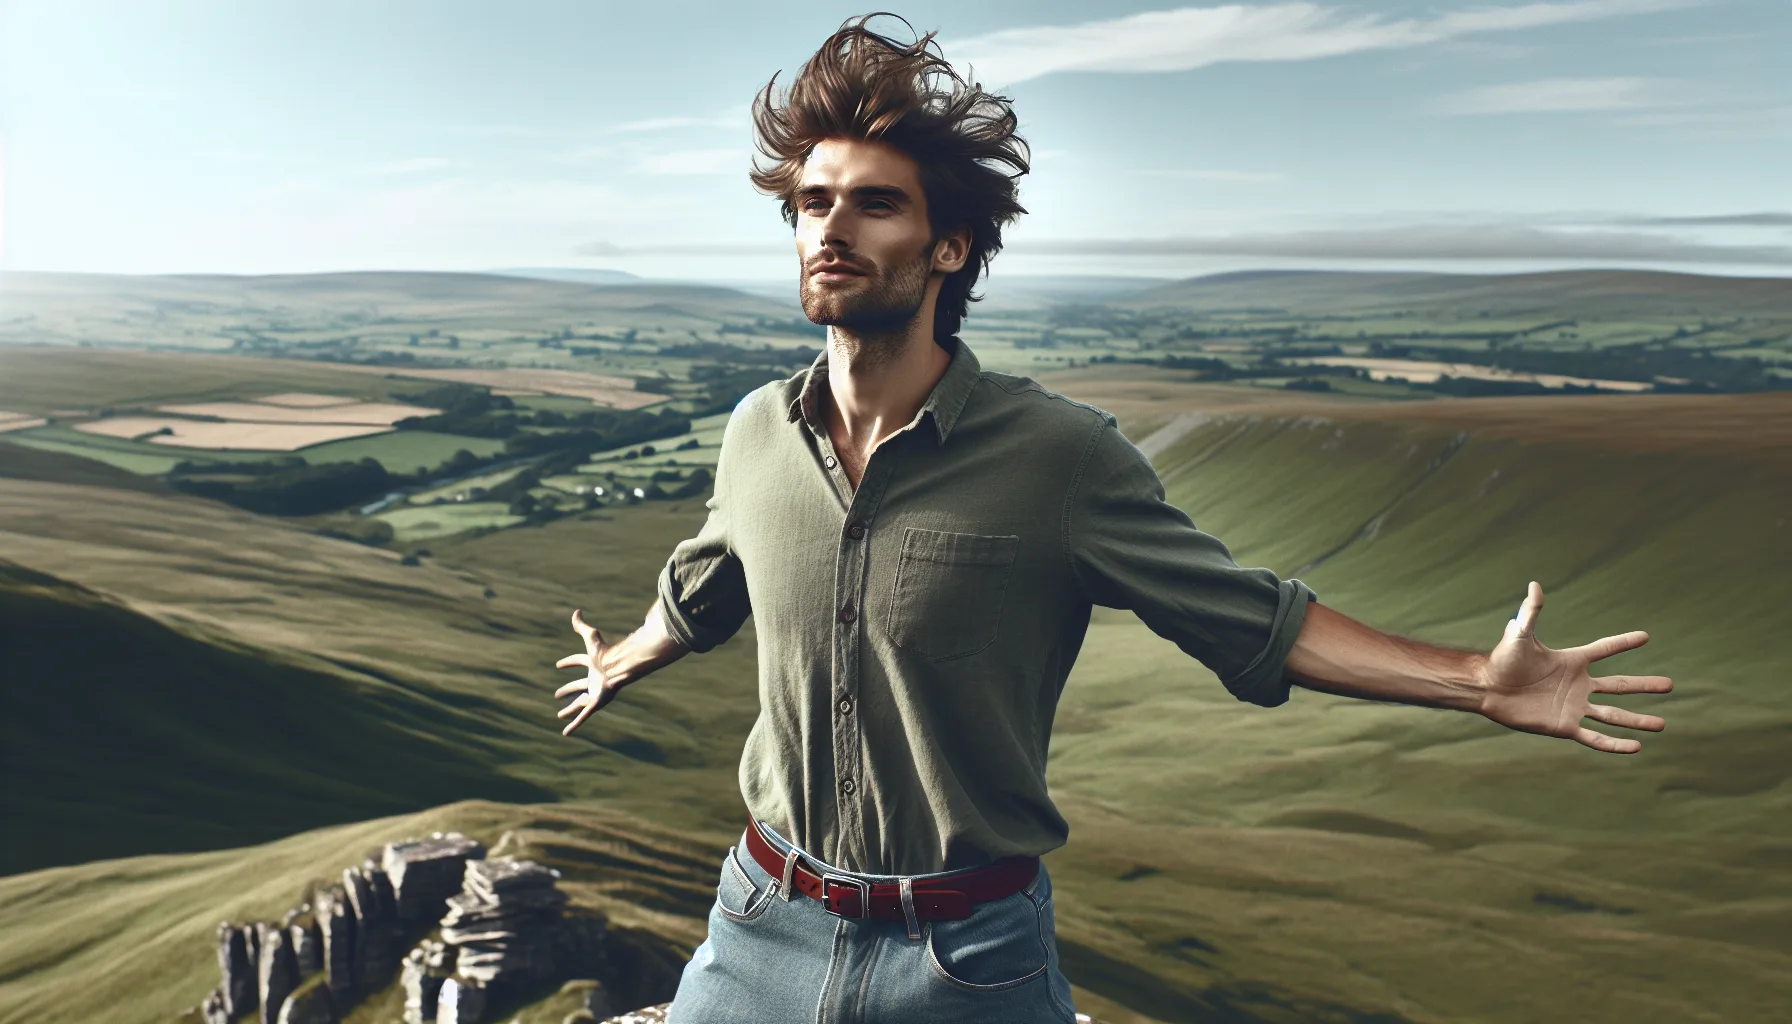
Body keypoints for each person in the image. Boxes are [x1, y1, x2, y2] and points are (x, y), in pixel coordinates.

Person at [551, 16, 1673, 1024]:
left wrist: (1478, 679)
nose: (830, 225)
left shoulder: (1059, 459)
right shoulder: (757, 430)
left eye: (874, 201)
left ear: (949, 248)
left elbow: (1251, 619)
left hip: (964, 958)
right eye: (812, 201)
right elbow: (714, 572)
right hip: (759, 927)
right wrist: (629, 655)